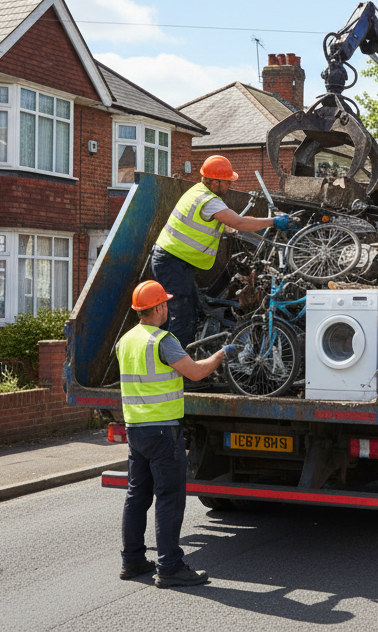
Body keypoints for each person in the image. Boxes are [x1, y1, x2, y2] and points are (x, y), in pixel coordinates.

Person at [118, 279, 236, 587]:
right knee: (169, 497)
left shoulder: (126, 341)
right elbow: (196, 372)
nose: (168, 307)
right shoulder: (162, 341)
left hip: (136, 429)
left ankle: (132, 561)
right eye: (166, 303)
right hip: (161, 431)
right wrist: (222, 354)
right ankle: (169, 567)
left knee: (136, 496)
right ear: (157, 307)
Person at [151, 155, 295, 346]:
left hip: (172, 260)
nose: (229, 186)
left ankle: (177, 361)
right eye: (227, 182)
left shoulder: (198, 192)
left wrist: (258, 223)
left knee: (184, 312)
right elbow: (238, 222)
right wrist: (273, 222)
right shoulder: (210, 201)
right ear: (214, 182)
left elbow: (234, 221)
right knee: (183, 318)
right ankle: (178, 369)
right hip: (172, 262)